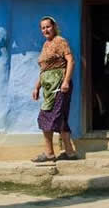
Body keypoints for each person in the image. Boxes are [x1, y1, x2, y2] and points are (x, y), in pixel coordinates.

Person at [31, 16, 78, 162]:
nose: (46, 30)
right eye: (43, 28)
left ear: (54, 27)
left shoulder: (60, 41)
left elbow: (71, 61)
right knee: (61, 119)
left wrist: (66, 81)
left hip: (59, 85)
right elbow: (45, 69)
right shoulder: (46, 45)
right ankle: (69, 152)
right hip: (48, 87)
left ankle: (49, 153)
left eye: (48, 26)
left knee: (45, 116)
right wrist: (37, 87)